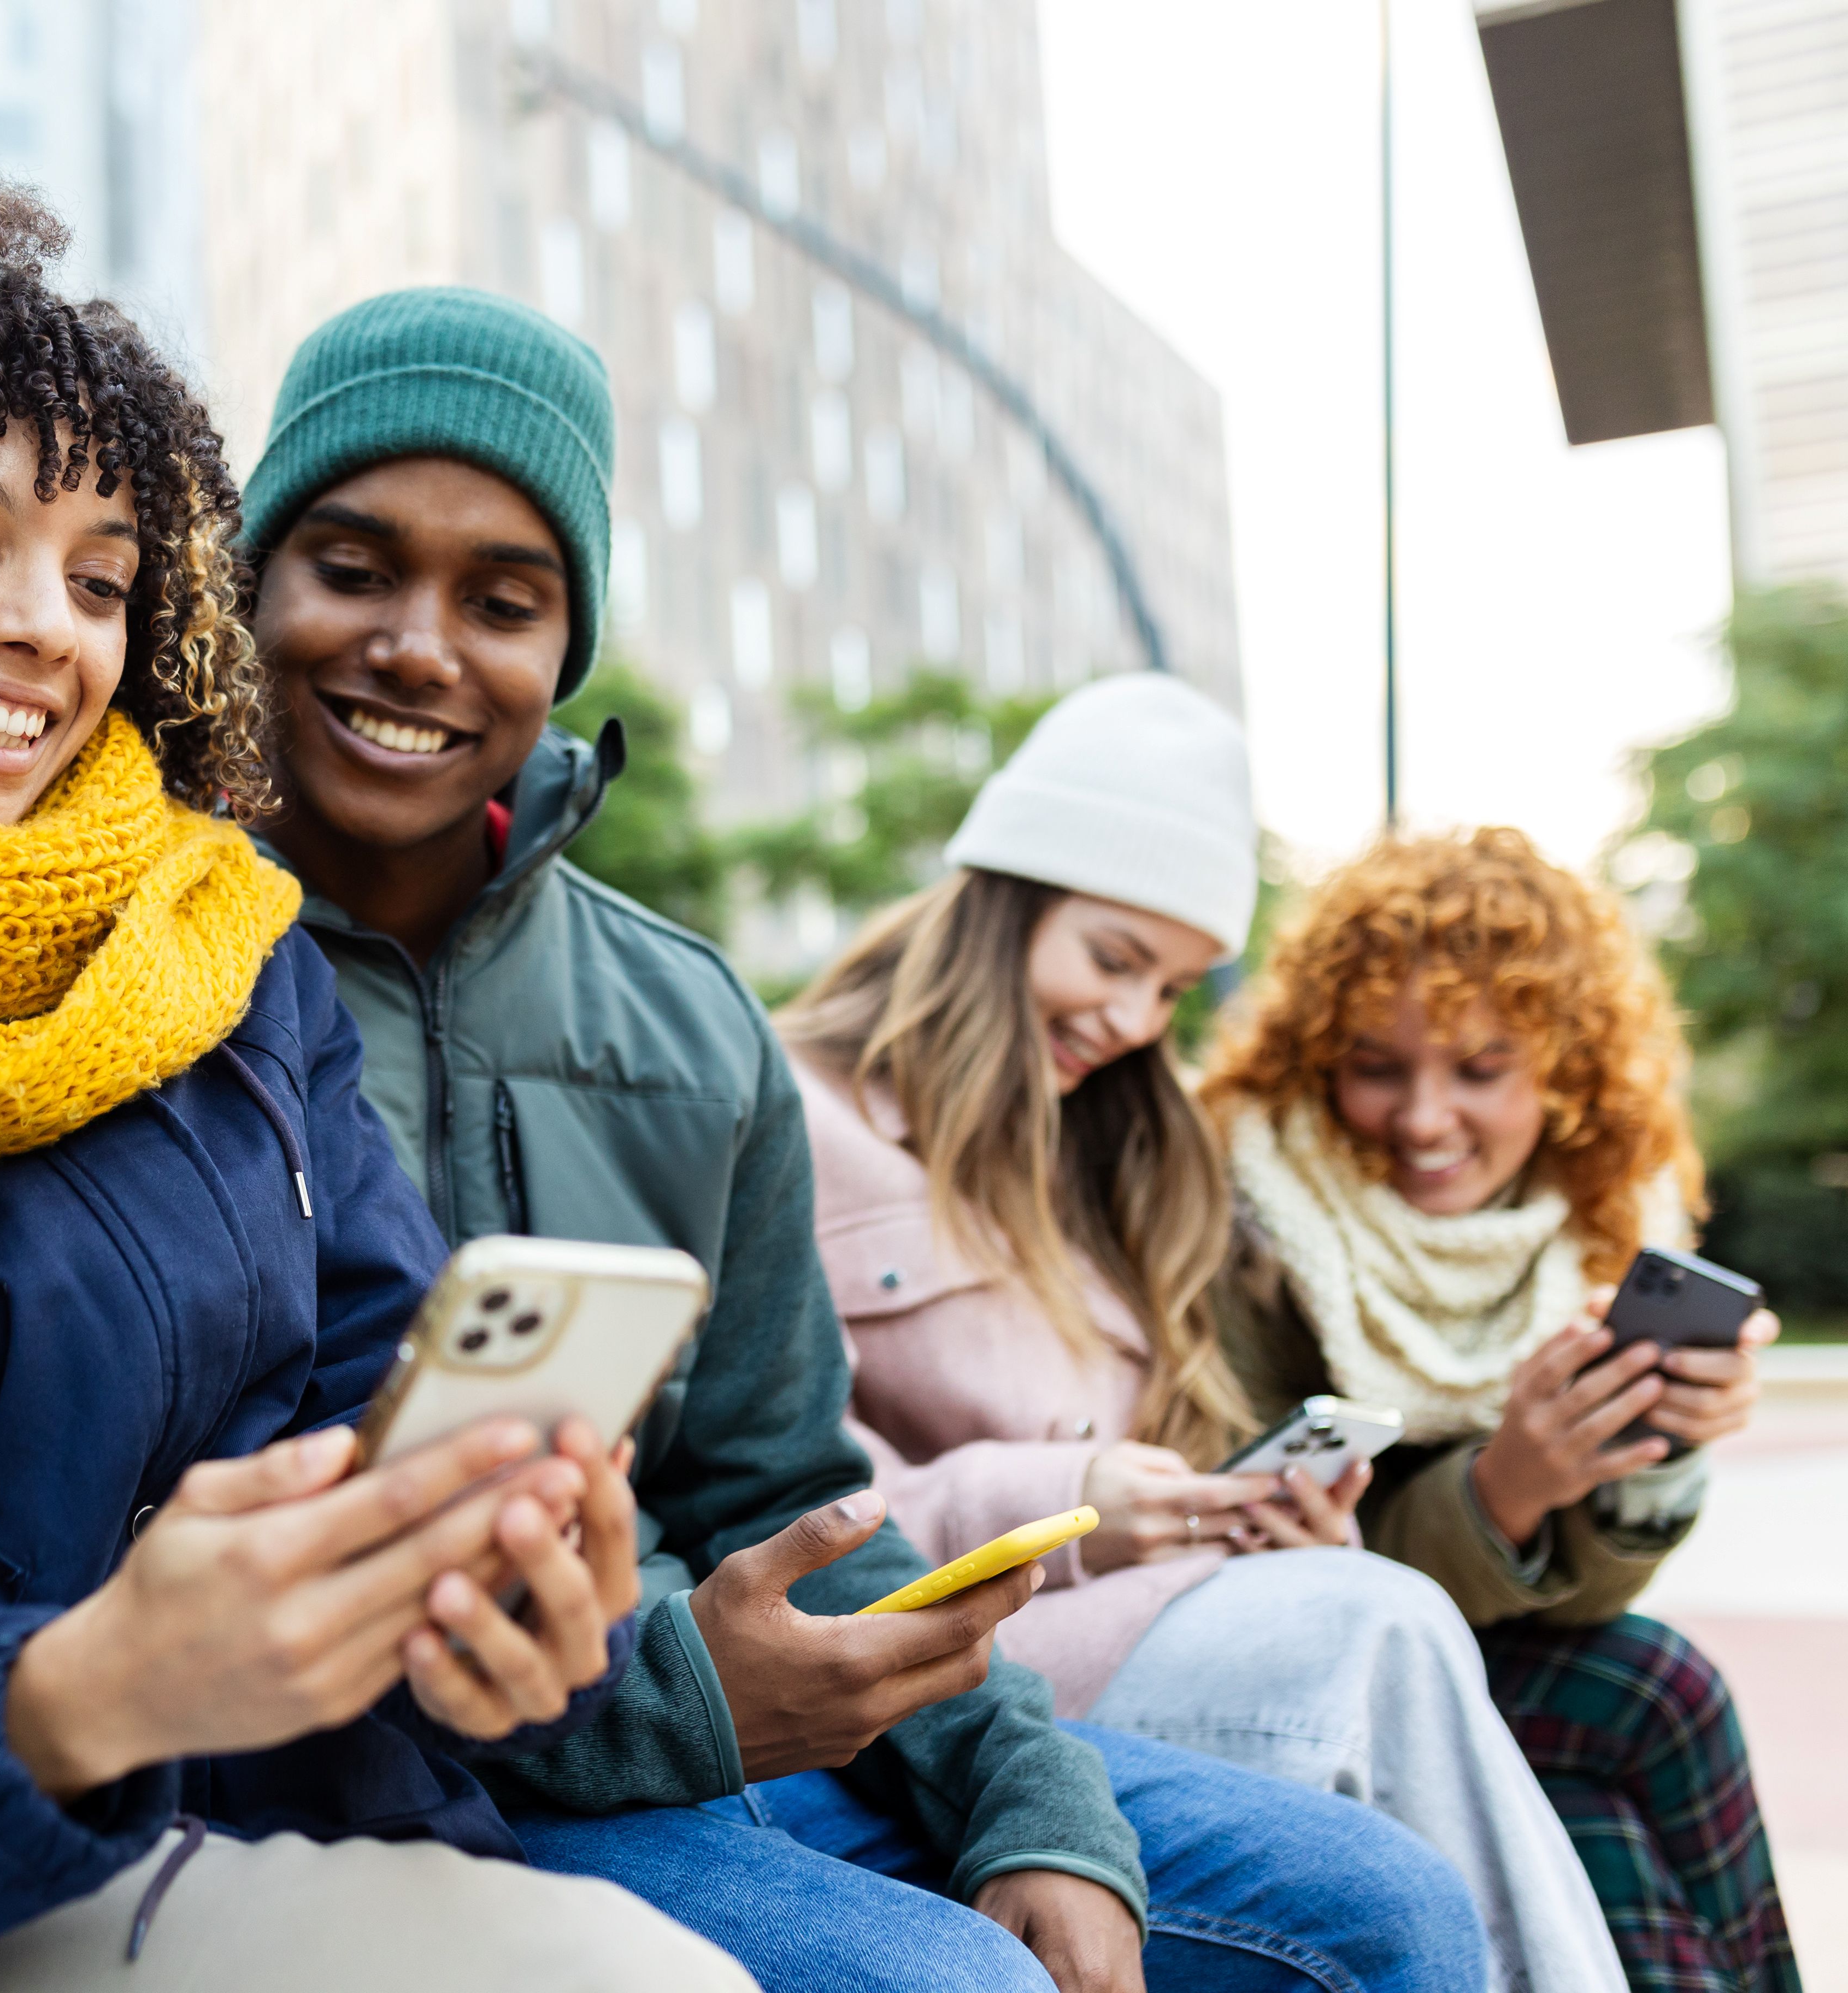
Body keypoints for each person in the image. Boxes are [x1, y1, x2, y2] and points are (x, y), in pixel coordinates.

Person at [0, 180, 751, 1993]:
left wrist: (495, 1599)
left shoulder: (222, 945)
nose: (45, 628)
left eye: (102, 578)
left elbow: (376, 1390)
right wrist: (90, 1688)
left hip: (320, 1824)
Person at [239, 285, 1490, 1993]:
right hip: (456, 1772)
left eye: (504, 600)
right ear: (250, 583)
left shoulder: (687, 1018)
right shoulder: (171, 961)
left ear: (567, 647)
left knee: (1386, 1916)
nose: (419, 647)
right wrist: (688, 1700)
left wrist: (1025, 1796)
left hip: (754, 1721)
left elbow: (788, 1483)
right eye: (354, 569)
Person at [781, 677, 1630, 1992]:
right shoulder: (789, 1112)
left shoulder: (1124, 1152)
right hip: (952, 1669)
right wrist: (1073, 1503)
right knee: (1380, 1628)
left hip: (1127, 1626)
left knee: (1531, 1661)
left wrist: (1258, 1520)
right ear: (1001, 900)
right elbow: (779, 1495)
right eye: (1114, 959)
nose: (1133, 1021)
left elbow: (1178, 1458)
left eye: (1172, 987)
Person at [1199, 827, 1797, 1993]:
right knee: (1646, 1702)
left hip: (1473, 1642)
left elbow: (1595, 1595)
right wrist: (1507, 1484)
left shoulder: (1604, 1208)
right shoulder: (1250, 1215)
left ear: (1563, 1070)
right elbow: (1278, 1558)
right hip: (1303, 1655)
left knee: (1647, 1707)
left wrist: (1661, 1445)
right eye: (1377, 1067)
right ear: (1318, 1059)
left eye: (1481, 1070)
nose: (1425, 1119)